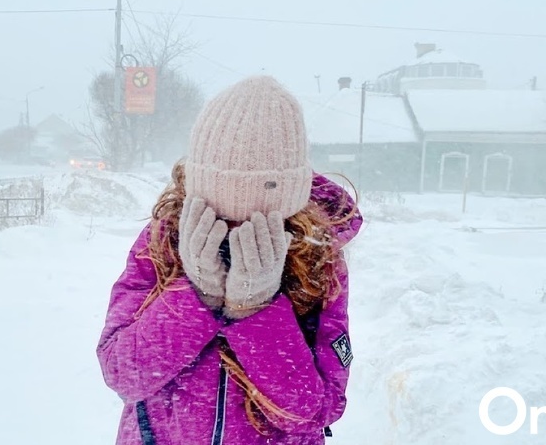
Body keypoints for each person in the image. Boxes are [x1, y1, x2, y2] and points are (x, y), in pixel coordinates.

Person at [97, 76, 363, 444]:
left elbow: (314, 410)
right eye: (221, 216)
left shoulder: (318, 259)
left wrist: (256, 311)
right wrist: (196, 296)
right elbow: (123, 373)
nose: (236, 235)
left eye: (260, 221)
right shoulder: (162, 243)